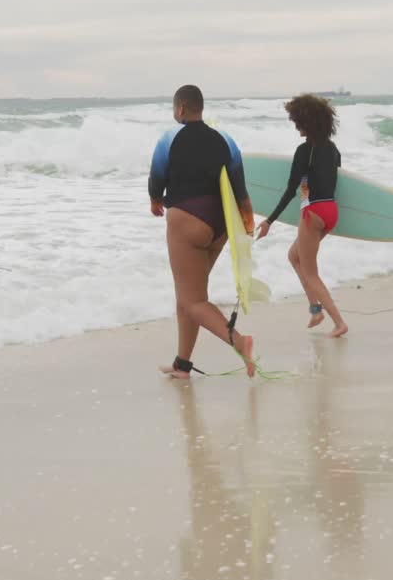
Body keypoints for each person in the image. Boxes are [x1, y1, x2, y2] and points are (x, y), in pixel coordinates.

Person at [149, 85, 257, 378]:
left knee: (192, 300)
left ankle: (239, 341)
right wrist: (247, 221)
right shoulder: (226, 140)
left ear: (181, 108)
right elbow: (240, 188)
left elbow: (157, 176)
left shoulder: (169, 138)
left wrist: (155, 199)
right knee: (189, 296)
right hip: (221, 224)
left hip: (188, 220)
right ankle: (182, 364)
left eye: (175, 108)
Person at [256, 94, 348, 338]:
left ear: (308, 122)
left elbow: (290, 190)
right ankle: (315, 309)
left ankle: (338, 322)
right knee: (294, 256)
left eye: (298, 122)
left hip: (313, 212)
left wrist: (269, 221)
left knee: (311, 273)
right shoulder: (333, 149)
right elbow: (337, 179)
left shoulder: (304, 151)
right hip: (330, 210)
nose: (296, 126)